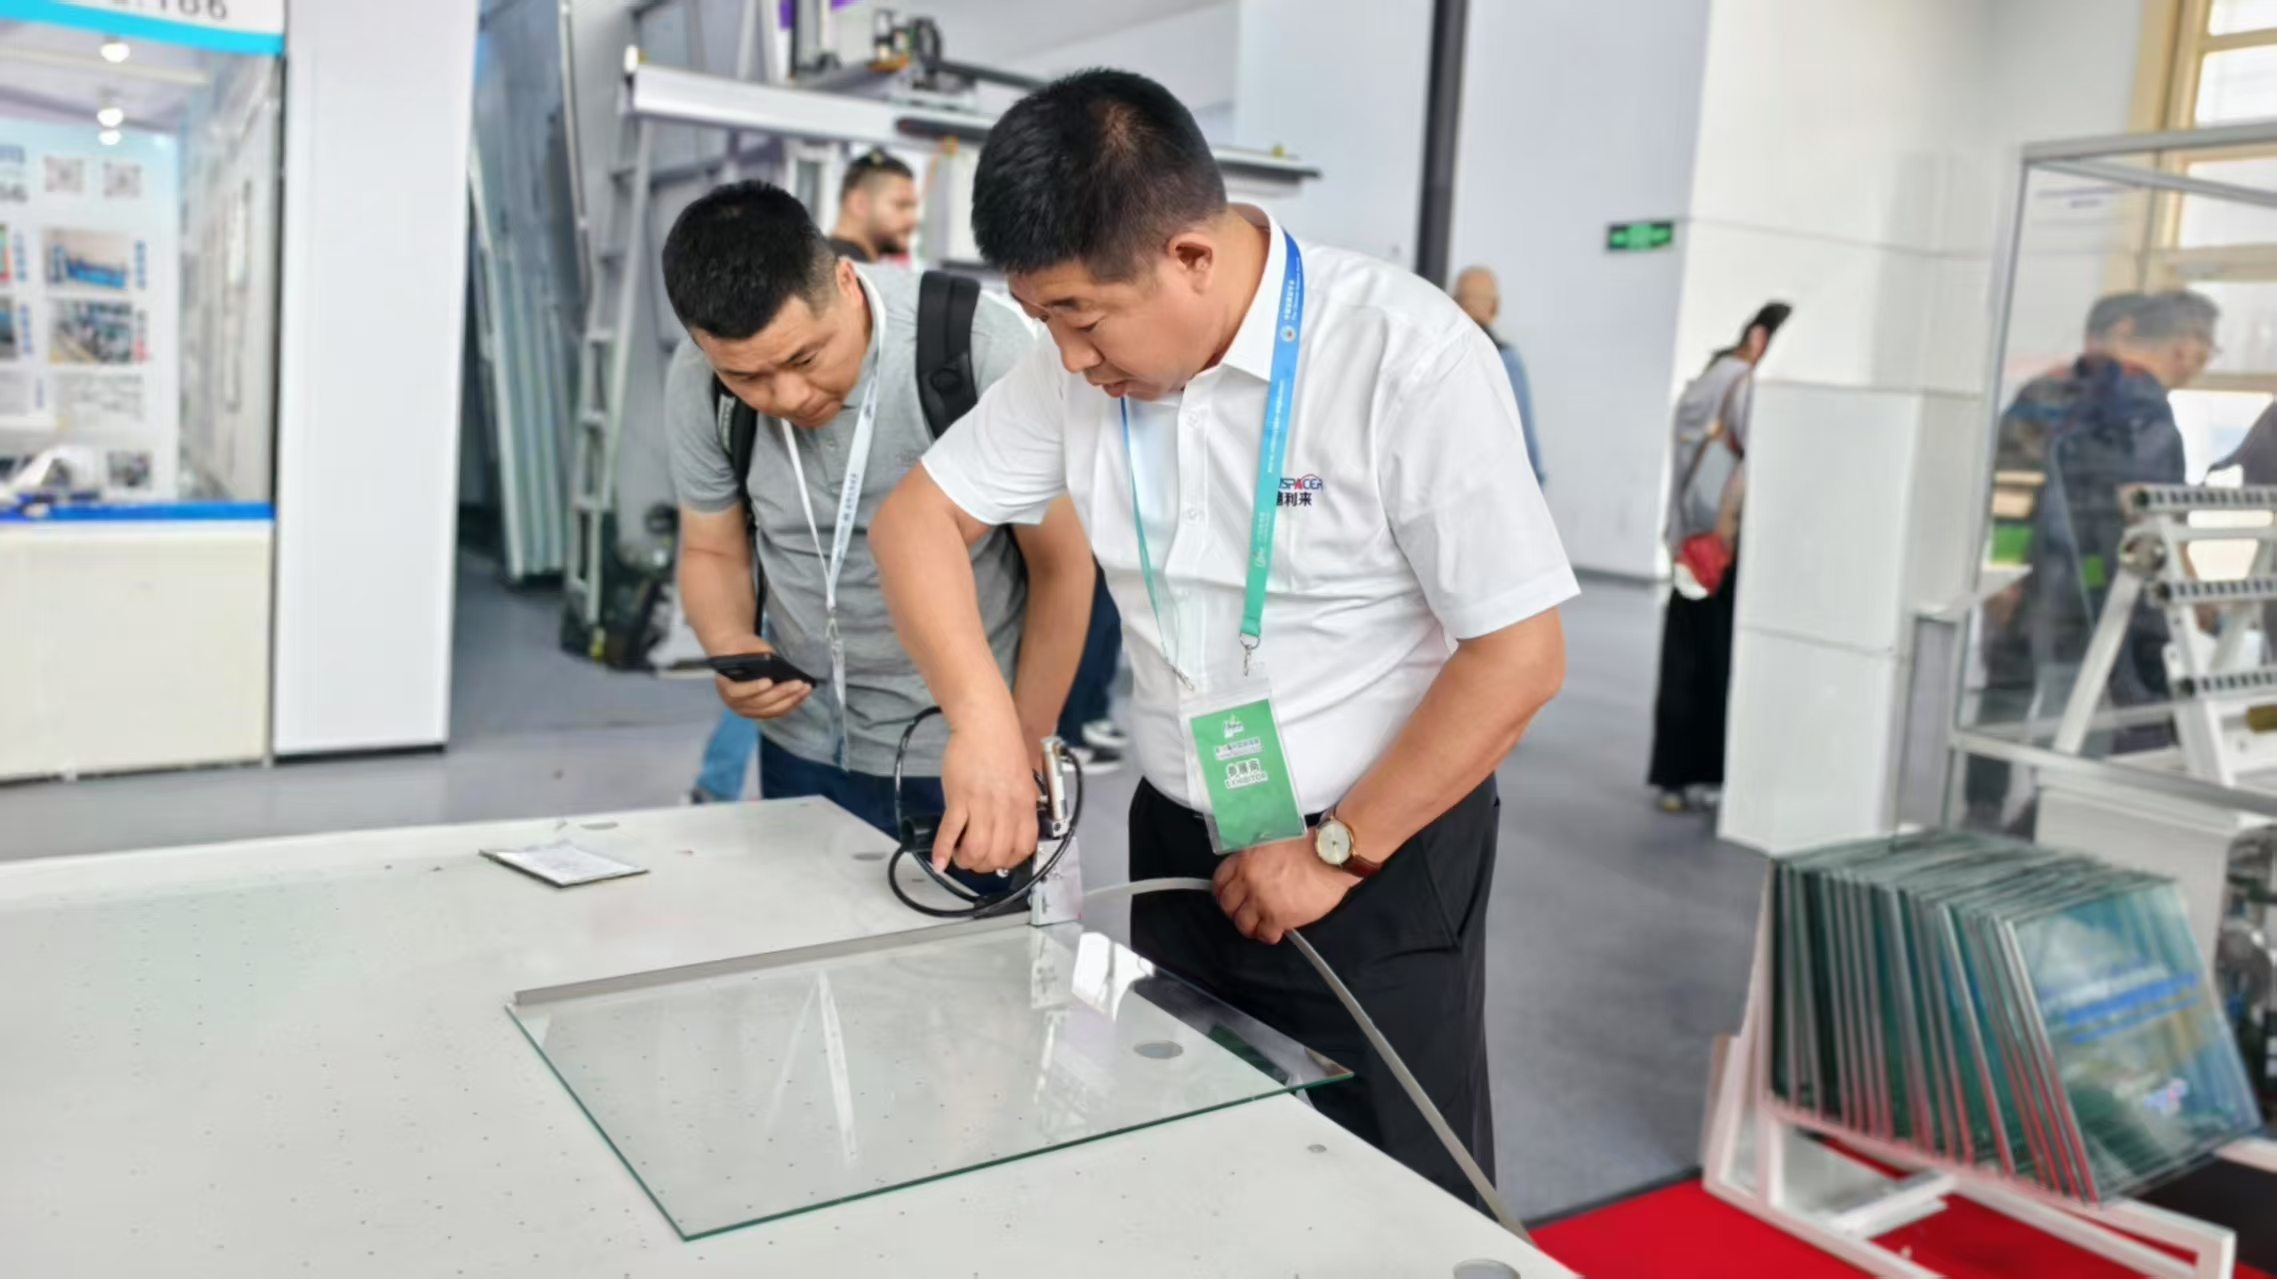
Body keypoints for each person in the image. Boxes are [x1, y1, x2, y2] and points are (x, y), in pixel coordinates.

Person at [868, 70, 1574, 1205]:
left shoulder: (1402, 356)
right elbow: (916, 522)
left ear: (1190, 256)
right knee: (1195, 1161)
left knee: (1394, 1190)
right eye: (1044, 320)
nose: (1069, 356)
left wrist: (1338, 851)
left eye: (1081, 316)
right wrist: (989, 726)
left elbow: (1520, 656)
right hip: (1178, 839)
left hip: (1374, 853)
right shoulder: (1079, 373)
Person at [661, 180, 1095, 875]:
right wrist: (728, 641)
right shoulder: (700, 382)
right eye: (749, 377)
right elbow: (713, 548)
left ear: (845, 281)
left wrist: (1018, 742)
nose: (786, 395)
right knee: (811, 934)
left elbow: (1062, 567)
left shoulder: (972, 347)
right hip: (802, 744)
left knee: (974, 942)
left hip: (959, 752)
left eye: (805, 358)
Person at [1965, 291, 2150, 829]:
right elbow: (2012, 490)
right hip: (2031, 577)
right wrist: (2006, 573)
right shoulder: (2047, 393)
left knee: (2070, 697)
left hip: (2087, 581)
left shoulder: (2131, 405)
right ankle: (1983, 804)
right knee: (2007, 691)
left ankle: (2046, 810)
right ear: (2119, 332)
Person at [2029, 289, 2219, 753]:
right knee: (2130, 724)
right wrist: (2192, 591)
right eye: (2206, 347)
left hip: (2051, 586)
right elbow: (2149, 517)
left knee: (2059, 709)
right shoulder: (2144, 408)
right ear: (2186, 345)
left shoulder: (2050, 390)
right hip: (2119, 594)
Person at [1648, 302, 1792, 814]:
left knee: (1682, 656)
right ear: (1760, 339)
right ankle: (1711, 776)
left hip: (1688, 540)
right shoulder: (1744, 386)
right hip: (1725, 548)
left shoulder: (1702, 382)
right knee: (1718, 658)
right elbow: (1760, 461)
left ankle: (1671, 778)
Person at [1451, 266, 1545, 484]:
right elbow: (1524, 436)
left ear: (1454, 303)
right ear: (1495, 307)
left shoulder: (1438, 355)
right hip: (1495, 488)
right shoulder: (1506, 360)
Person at [827, 149, 920, 264]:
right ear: (859, 204)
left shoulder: (821, 261)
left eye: (912, 208)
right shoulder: (842, 271)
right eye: (901, 205)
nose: (912, 220)